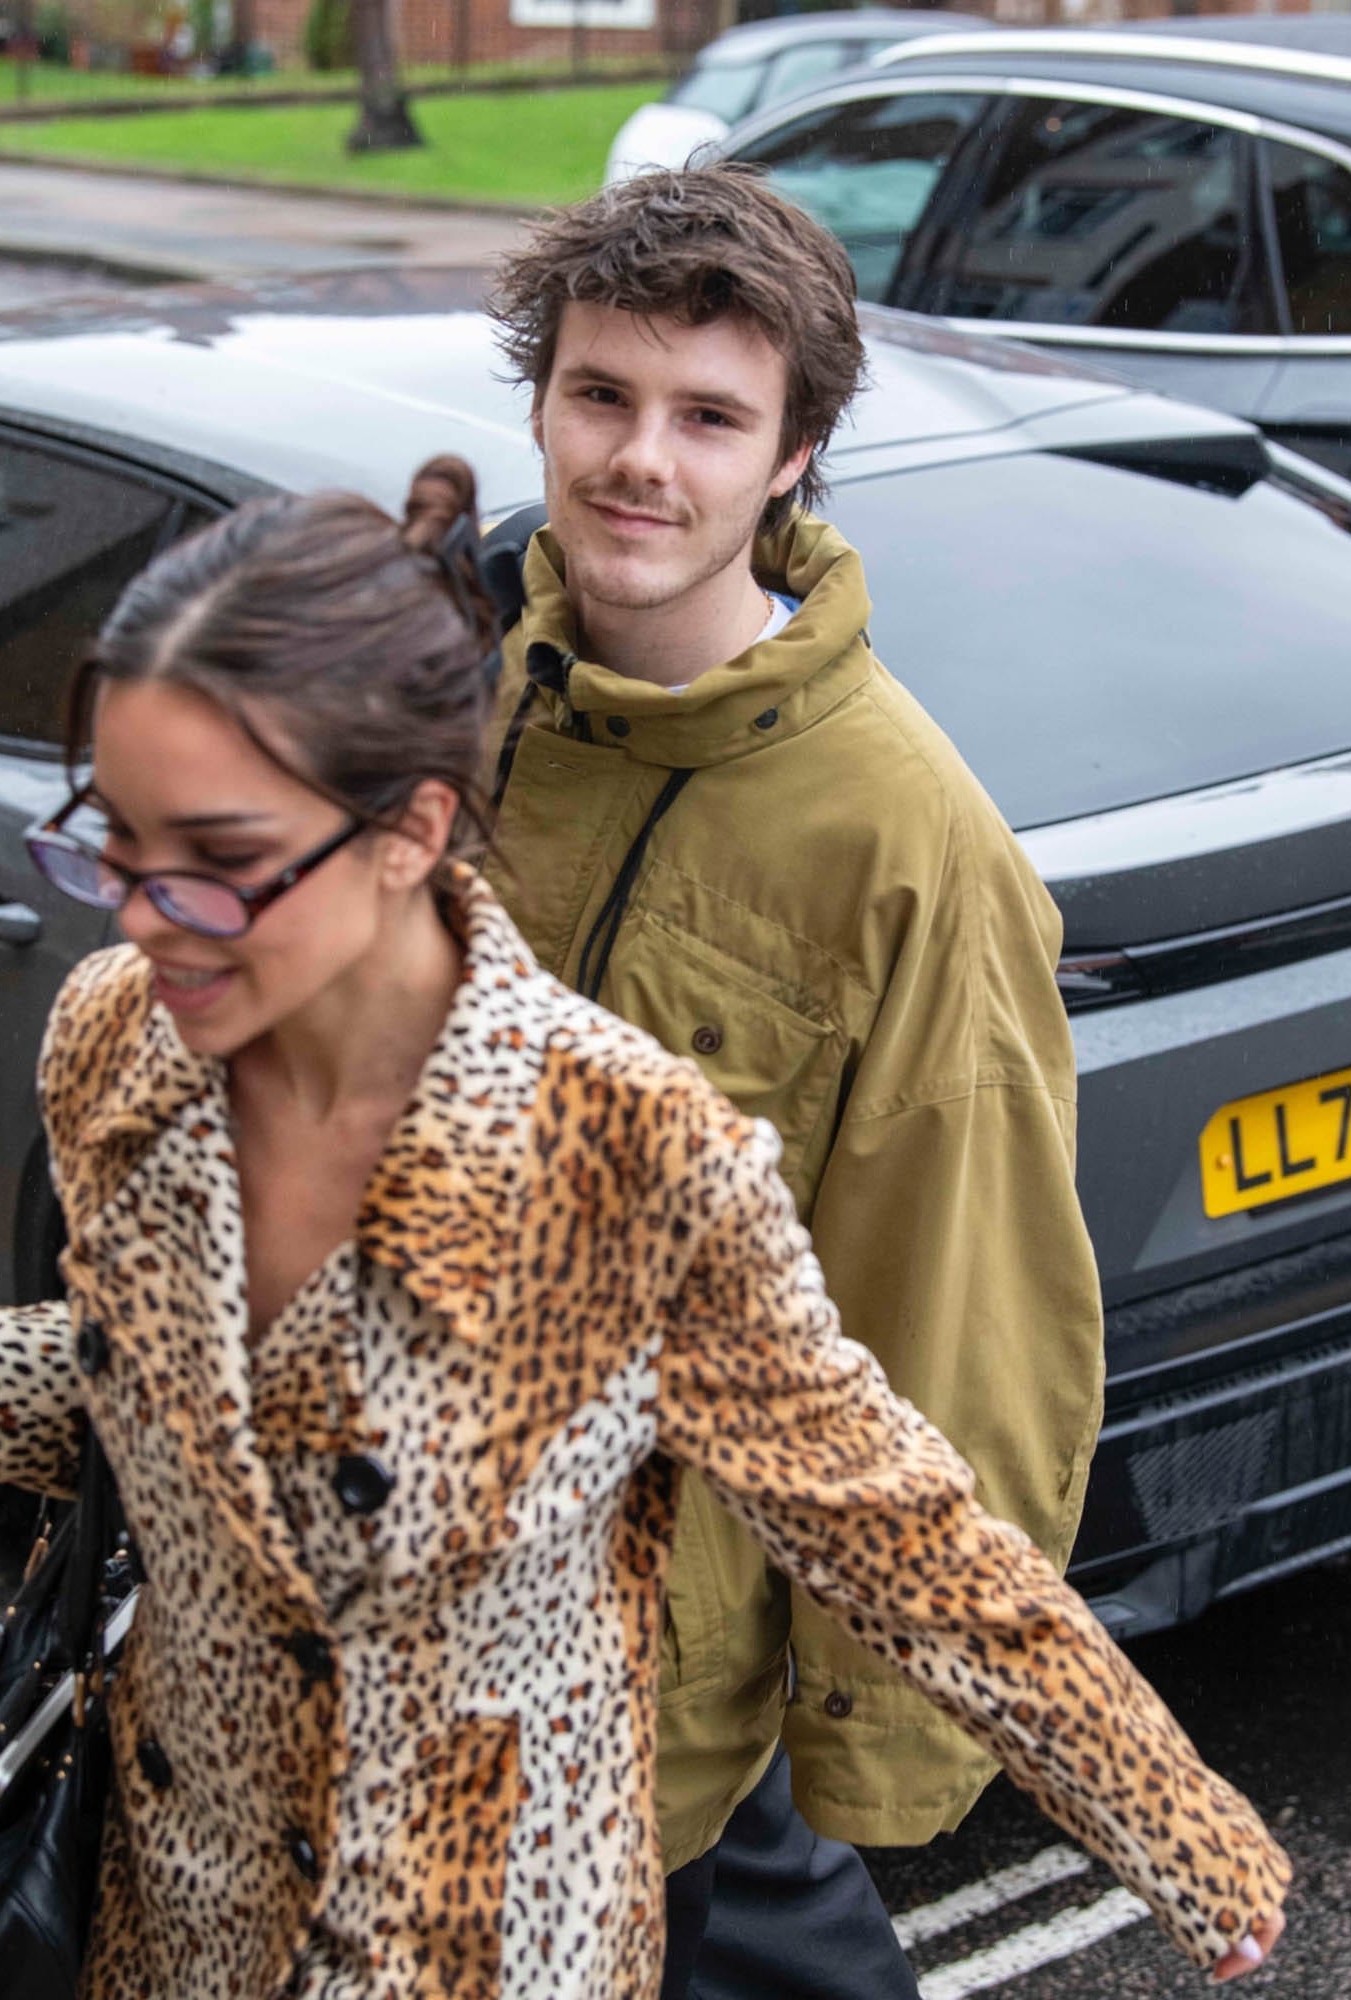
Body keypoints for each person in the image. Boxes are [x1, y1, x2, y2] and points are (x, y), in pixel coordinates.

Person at [0, 459, 1289, 2000]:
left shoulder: (623, 1155)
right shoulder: (123, 1044)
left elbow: (887, 1522)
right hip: (179, 1912)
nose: (141, 917)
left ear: (408, 832)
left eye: (216, 864)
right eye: (113, 841)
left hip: (477, 1937)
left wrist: (1178, 1829)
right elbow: (139, 1372)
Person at [482, 166, 1105, 1997]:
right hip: (399, 1624)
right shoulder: (487, 700)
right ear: (541, 403)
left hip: (658, 1716)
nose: (638, 461)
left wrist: (878, 1737)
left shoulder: (911, 843)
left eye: (709, 417)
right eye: (601, 396)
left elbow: (963, 1326)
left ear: (795, 451)